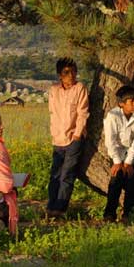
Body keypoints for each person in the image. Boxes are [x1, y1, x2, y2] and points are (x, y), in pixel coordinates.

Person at [47, 57, 89, 217]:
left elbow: (82, 112)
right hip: (57, 137)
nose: (70, 75)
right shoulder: (54, 90)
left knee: (67, 175)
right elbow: (53, 113)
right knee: (55, 175)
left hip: (74, 137)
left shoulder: (80, 88)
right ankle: (51, 207)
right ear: (60, 75)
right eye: (66, 72)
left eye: (73, 72)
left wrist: (77, 134)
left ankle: (60, 208)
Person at [103, 86, 134, 222]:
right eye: (131, 101)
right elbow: (110, 140)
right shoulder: (113, 116)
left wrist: (129, 162)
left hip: (133, 154)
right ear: (121, 104)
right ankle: (109, 214)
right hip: (117, 153)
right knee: (115, 181)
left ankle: (128, 214)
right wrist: (117, 161)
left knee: (131, 182)